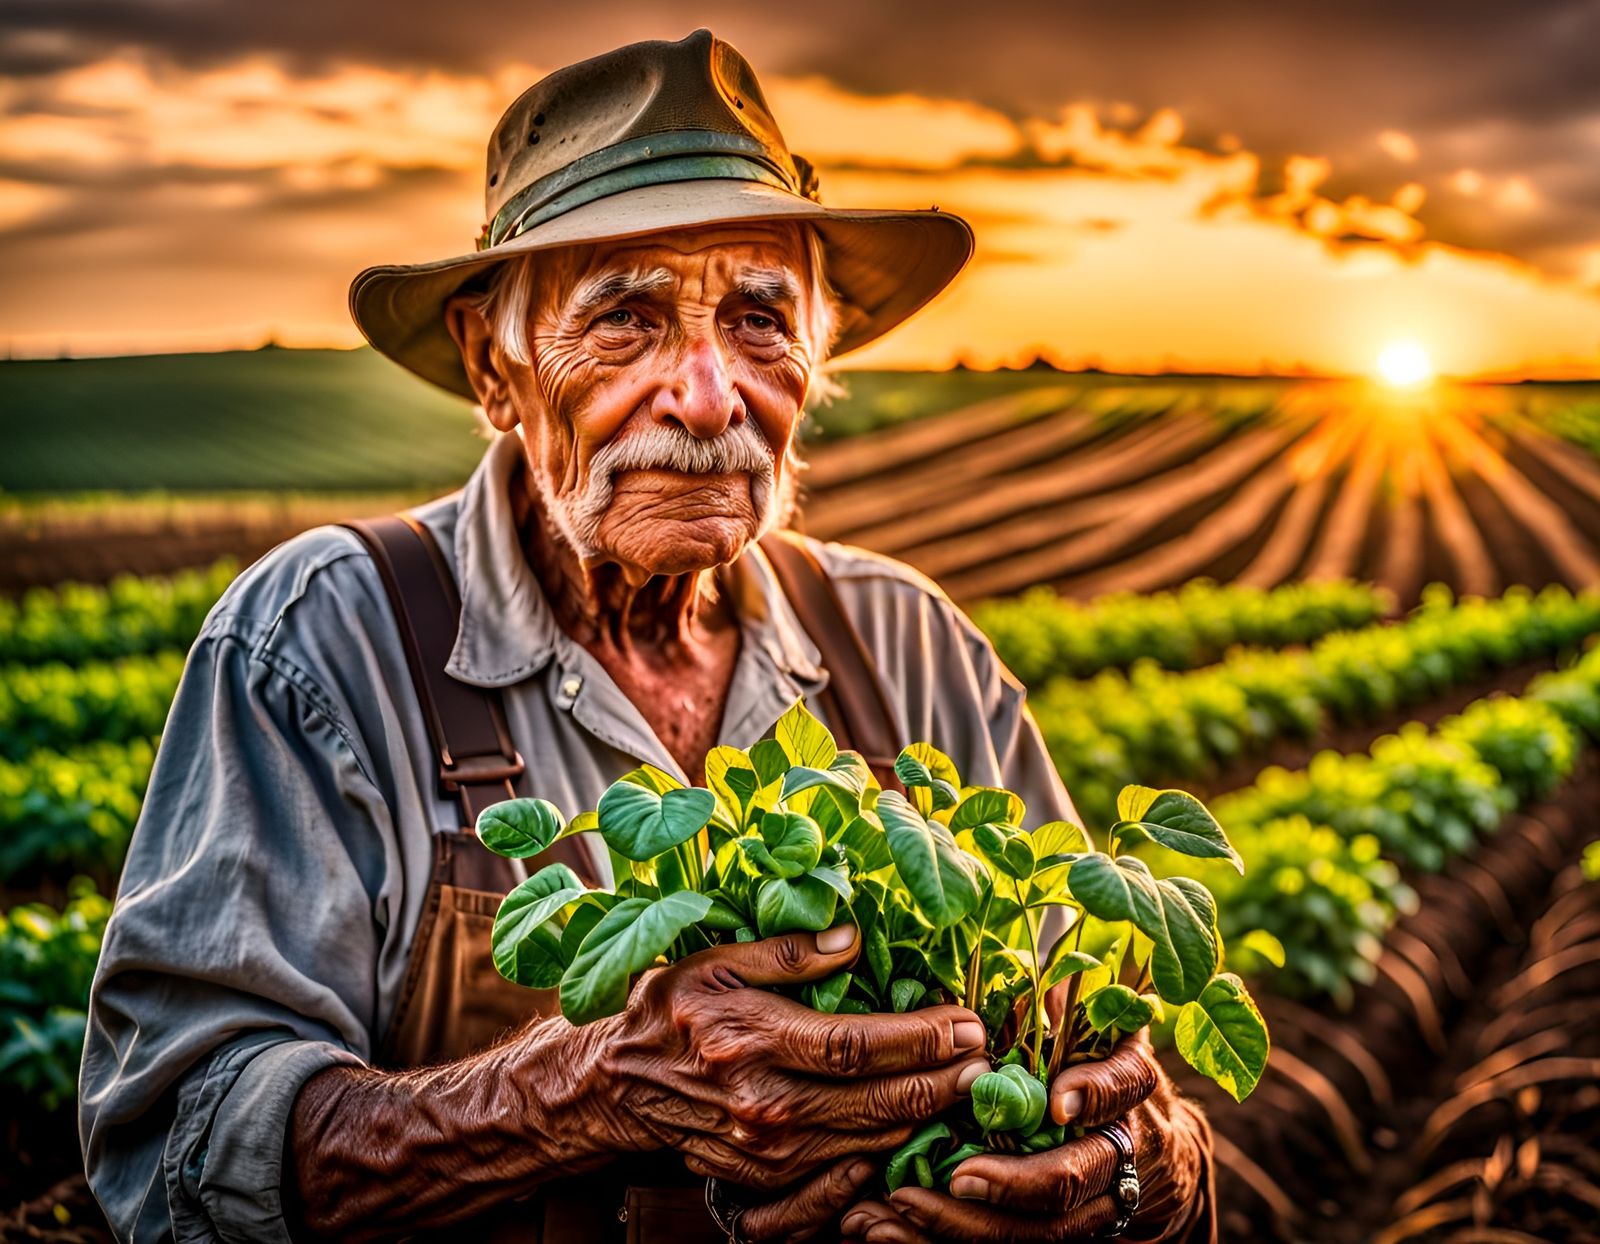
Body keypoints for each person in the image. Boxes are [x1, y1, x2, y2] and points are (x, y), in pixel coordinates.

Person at [79, 28, 1215, 1243]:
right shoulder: (324, 640)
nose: (710, 395)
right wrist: (584, 1088)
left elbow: (1108, 1073)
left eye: (760, 321)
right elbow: (178, 1147)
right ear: (493, 364)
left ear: (814, 359)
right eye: (626, 318)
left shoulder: (911, 648)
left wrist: (1139, 1171)